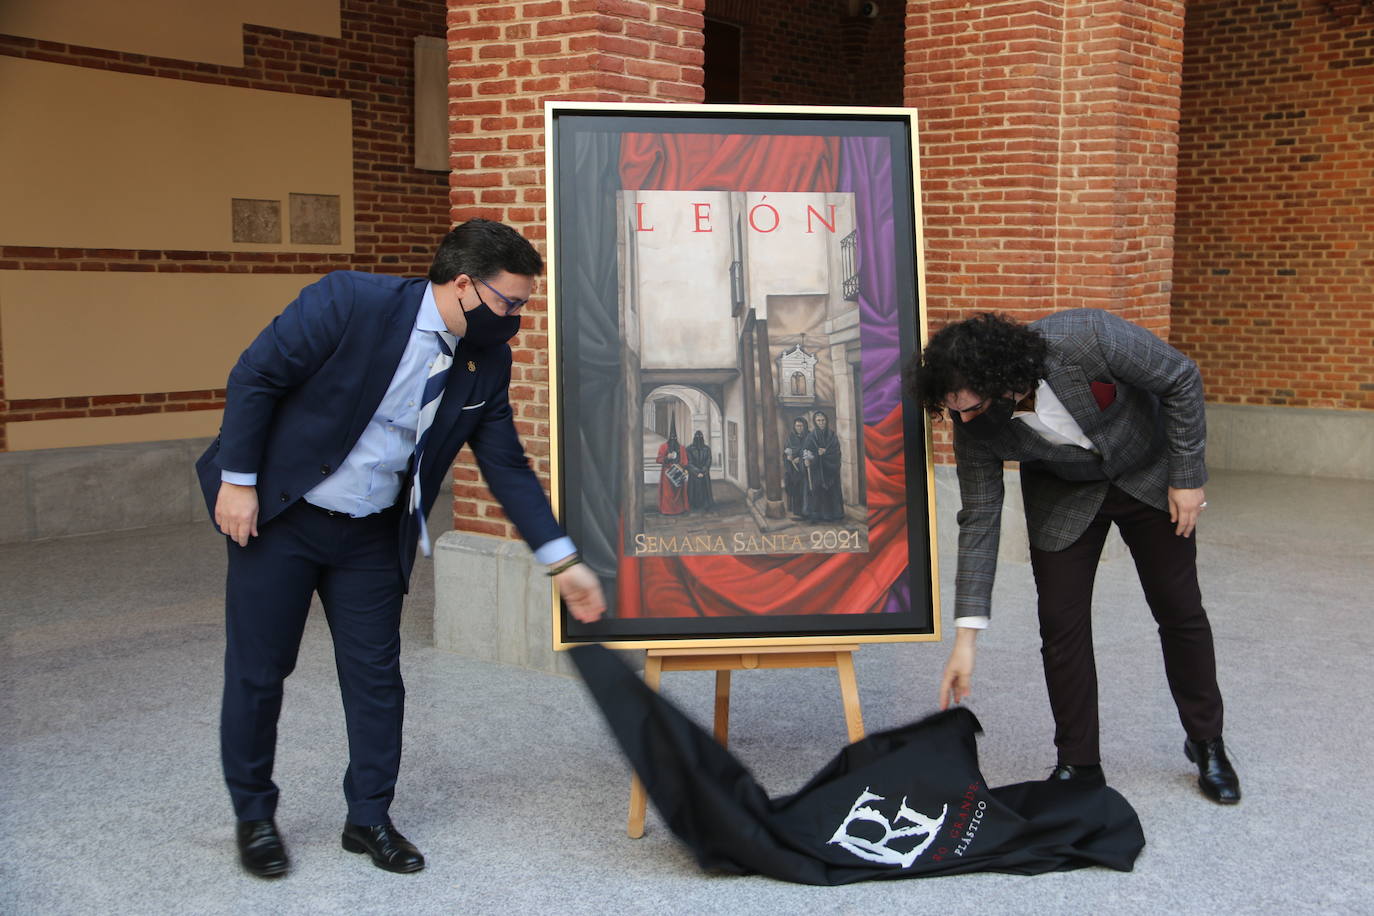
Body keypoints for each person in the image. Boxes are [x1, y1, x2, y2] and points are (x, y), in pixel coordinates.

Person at [195, 219, 607, 879]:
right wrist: (238, 483)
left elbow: (506, 467)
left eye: (523, 305)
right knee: (259, 671)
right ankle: (254, 816)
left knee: (376, 680)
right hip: (281, 516)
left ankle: (368, 818)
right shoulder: (349, 302)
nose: (516, 319)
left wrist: (560, 559)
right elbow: (256, 375)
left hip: (370, 533)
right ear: (464, 284)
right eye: (509, 302)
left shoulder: (485, 360)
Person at [908, 309, 1239, 805]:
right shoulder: (972, 426)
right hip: (1064, 496)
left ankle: (1207, 742)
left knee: (1179, 610)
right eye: (953, 412)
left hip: (1148, 473)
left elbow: (1180, 377)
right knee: (1061, 628)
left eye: (971, 408)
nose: (963, 421)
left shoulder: (1086, 338)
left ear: (1002, 381)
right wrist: (966, 639)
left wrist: (1188, 477)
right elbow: (979, 519)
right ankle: (1078, 765)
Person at [803, 410, 845, 522]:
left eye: (823, 420)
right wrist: (813, 456)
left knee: (832, 491)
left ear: (826, 421)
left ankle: (834, 514)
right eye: (818, 421)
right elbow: (807, 451)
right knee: (817, 491)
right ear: (815, 422)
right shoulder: (811, 437)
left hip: (830, 468)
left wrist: (826, 452)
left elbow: (836, 451)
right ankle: (818, 515)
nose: (821, 423)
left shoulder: (832, 435)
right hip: (817, 469)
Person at [656, 419, 689, 516]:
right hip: (667, 474)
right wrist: (667, 457)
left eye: (675, 437)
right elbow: (658, 459)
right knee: (667, 493)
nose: (673, 439)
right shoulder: (663, 447)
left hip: (678, 471)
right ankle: (667, 510)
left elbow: (685, 461)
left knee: (678, 492)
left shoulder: (681, 448)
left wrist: (681, 467)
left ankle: (679, 509)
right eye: (672, 437)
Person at [782, 416, 811, 519]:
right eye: (797, 426)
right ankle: (797, 512)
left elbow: (811, 450)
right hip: (794, 470)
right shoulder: (790, 438)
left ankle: (806, 512)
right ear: (794, 427)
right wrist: (789, 458)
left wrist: (801, 459)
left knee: (805, 490)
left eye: (801, 426)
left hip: (806, 470)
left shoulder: (809, 436)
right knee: (796, 489)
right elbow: (786, 451)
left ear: (805, 426)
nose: (800, 428)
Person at [685, 430, 714, 511]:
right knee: (693, 490)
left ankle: (706, 503)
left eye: (700, 438)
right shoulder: (689, 449)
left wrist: (704, 471)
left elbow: (708, 461)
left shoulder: (707, 449)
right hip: (694, 474)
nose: (699, 439)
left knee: (705, 489)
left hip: (704, 473)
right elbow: (688, 462)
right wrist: (696, 472)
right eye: (697, 438)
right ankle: (693, 504)